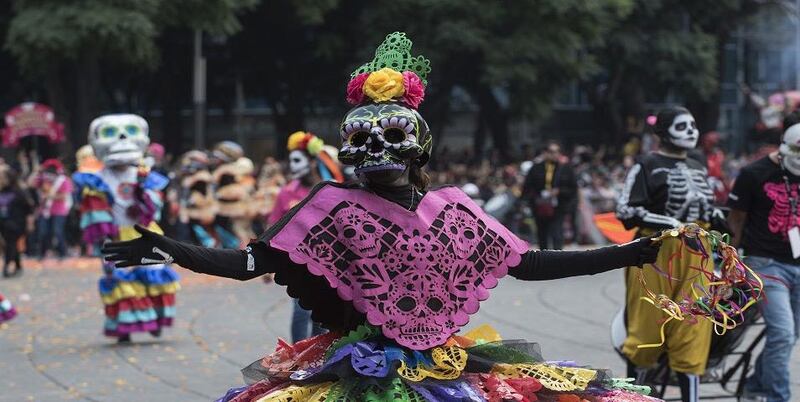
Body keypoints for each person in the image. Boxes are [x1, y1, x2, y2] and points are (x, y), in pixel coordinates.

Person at [103, 32, 665, 402]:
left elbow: (529, 262)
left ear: (418, 146)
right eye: (363, 138)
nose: (377, 150)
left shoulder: (453, 210)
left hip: (448, 365)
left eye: (392, 136)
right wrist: (169, 247)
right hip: (354, 370)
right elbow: (250, 261)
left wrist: (629, 252)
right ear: (347, 148)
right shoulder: (328, 208)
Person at [616, 106, 721, 402]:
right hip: (655, 252)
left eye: (693, 125)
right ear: (662, 132)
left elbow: (704, 206)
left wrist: (714, 217)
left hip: (698, 253)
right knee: (649, 326)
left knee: (694, 325)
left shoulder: (699, 163)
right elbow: (626, 210)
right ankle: (632, 397)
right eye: (682, 126)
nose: (691, 131)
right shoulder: (646, 164)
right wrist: (671, 224)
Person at [73, 114, 179, 343]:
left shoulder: (145, 176)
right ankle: (126, 327)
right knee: (122, 280)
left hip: (145, 233)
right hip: (116, 236)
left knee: (153, 278)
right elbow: (93, 214)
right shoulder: (95, 179)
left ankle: (154, 321)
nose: (122, 139)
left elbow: (155, 210)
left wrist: (143, 192)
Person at [727, 113, 800, 402]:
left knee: (789, 337)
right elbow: (736, 221)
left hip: (798, 262)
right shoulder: (753, 174)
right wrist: (729, 266)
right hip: (765, 265)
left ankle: (756, 383)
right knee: (782, 334)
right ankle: (778, 397)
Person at [269, 131, 343, 343]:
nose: (292, 166)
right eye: (290, 160)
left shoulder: (329, 190)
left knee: (322, 314)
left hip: (327, 263)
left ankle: (317, 355)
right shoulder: (286, 192)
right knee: (301, 310)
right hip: (296, 263)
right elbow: (273, 225)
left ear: (312, 161)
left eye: (297, 160)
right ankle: (298, 354)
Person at [522, 141, 577, 249]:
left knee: (557, 233)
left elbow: (573, 188)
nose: (555, 154)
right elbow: (527, 187)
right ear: (545, 153)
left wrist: (559, 191)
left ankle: (558, 259)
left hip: (558, 206)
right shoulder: (535, 168)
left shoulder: (565, 169)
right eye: (551, 152)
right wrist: (535, 198)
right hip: (540, 207)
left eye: (557, 152)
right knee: (542, 234)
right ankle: (544, 260)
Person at [31, 158, 73, 259]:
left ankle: (63, 253)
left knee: (57, 232)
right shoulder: (43, 178)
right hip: (44, 210)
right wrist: (36, 171)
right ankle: (42, 253)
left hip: (59, 210)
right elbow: (31, 184)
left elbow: (64, 196)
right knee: (43, 232)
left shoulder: (63, 180)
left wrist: (49, 196)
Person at [0, 166, 34, 277]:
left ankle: (6, 267)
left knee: (11, 244)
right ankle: (18, 266)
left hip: (16, 222)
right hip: (3, 223)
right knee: (10, 244)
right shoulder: (2, 191)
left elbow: (29, 208)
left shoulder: (18, 192)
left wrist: (30, 223)